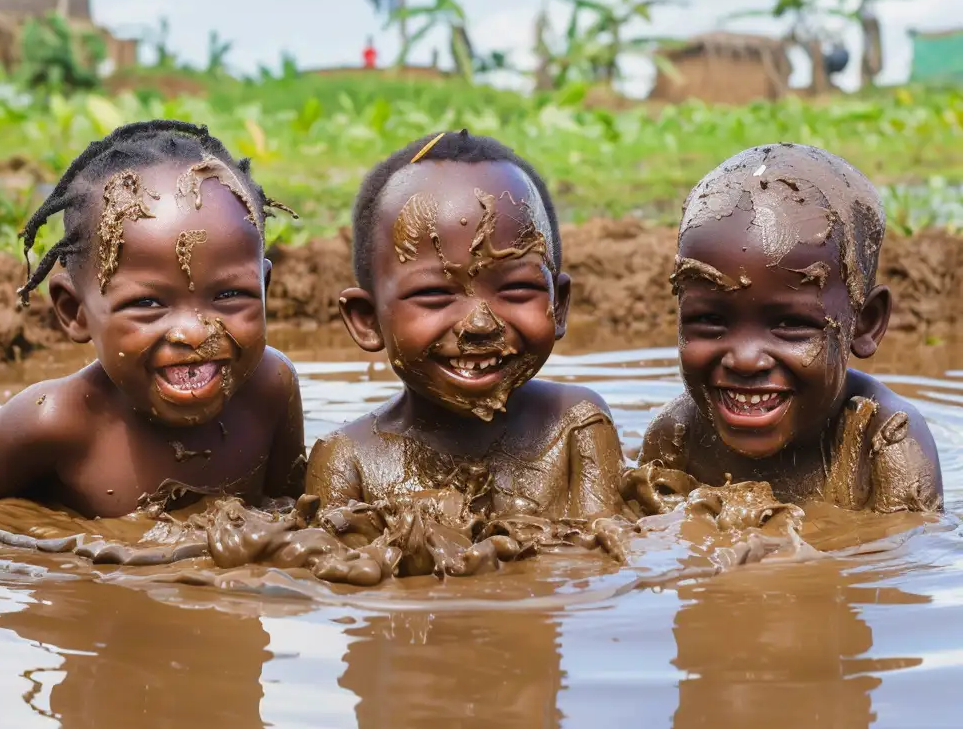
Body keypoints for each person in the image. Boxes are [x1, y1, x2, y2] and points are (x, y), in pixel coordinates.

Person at [0, 121, 305, 520]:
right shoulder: (52, 422)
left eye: (230, 295)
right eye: (148, 303)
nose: (195, 332)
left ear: (264, 289)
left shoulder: (272, 388)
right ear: (74, 312)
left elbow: (293, 511)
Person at [303, 129, 623, 519]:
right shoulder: (348, 460)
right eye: (435, 296)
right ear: (367, 321)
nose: (480, 323)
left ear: (558, 306)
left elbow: (605, 559)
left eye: (518, 288)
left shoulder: (575, 425)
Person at [636, 144, 941, 513]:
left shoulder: (884, 442)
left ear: (865, 323)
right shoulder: (676, 435)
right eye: (710, 320)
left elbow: (900, 557)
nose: (745, 360)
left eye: (790, 324)